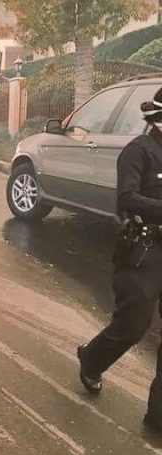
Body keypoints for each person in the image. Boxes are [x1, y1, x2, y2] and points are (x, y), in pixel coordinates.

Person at [77, 87, 162, 432]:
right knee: (134, 324)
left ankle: (157, 418)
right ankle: (92, 359)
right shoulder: (138, 152)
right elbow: (127, 199)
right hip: (144, 250)